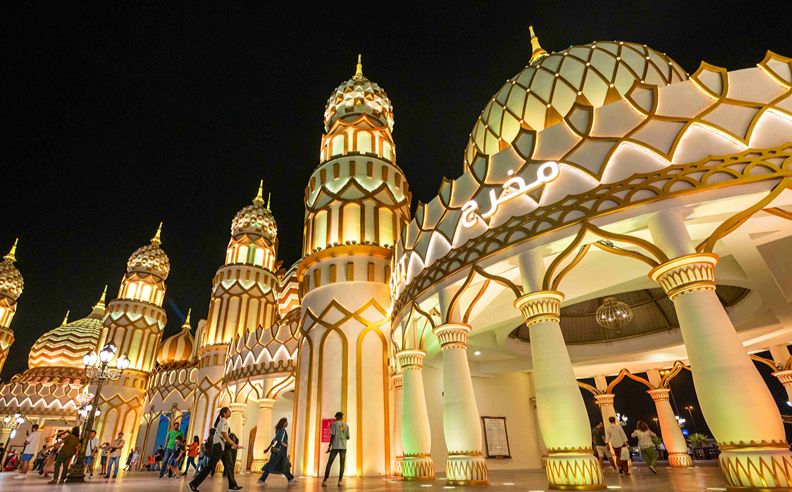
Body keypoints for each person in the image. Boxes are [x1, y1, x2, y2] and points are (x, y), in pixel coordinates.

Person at [189, 407, 242, 491]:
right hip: (219, 447)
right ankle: (194, 484)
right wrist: (233, 444)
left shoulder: (223, 421)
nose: (230, 412)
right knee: (209, 466)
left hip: (222, 446)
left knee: (229, 465)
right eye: (228, 411)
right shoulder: (224, 421)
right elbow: (224, 434)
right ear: (224, 413)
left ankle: (232, 485)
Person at [257, 417, 297, 487]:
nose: (287, 423)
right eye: (286, 422)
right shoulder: (282, 430)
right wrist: (285, 445)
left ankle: (290, 479)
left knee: (284, 465)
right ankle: (261, 480)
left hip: (280, 452)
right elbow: (279, 439)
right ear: (284, 423)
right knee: (271, 465)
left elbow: (274, 440)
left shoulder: (279, 430)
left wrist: (268, 448)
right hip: (279, 452)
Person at [322, 412, 350, 487]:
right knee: (342, 464)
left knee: (329, 463)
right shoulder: (346, 425)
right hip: (343, 447)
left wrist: (329, 446)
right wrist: (342, 436)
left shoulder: (334, 424)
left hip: (335, 447)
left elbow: (333, 436)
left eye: (336, 417)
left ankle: (325, 480)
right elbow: (348, 437)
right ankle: (340, 481)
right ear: (342, 417)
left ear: (337, 417)